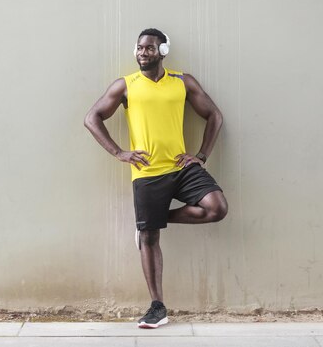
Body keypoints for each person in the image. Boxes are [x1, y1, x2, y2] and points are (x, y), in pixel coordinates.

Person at [84, 28, 228, 328]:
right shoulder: (125, 85)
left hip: (182, 168)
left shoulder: (182, 81)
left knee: (217, 209)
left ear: (163, 51)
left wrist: (200, 155)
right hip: (147, 172)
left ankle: (153, 218)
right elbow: (91, 117)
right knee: (150, 238)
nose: (142, 53)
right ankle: (158, 307)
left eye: (149, 48)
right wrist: (118, 152)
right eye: (139, 48)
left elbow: (215, 115)